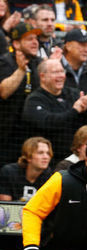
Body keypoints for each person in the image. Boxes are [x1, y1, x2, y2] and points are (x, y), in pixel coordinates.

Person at [22, 59, 87, 163]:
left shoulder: (73, 94)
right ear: (42, 76)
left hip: (78, 159)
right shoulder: (34, 99)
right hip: (49, 161)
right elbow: (48, 122)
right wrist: (75, 111)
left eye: (62, 71)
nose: (61, 76)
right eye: (55, 72)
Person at [0, 23, 43, 166]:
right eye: (29, 39)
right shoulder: (5, 62)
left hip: (31, 134)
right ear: (16, 44)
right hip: (6, 135)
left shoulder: (38, 63)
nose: (35, 42)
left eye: (36, 39)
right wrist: (20, 70)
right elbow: (4, 92)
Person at [0, 136, 53, 201]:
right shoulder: (9, 172)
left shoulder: (50, 177)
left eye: (48, 153)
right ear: (28, 157)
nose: (46, 157)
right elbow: (5, 207)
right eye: (40, 153)